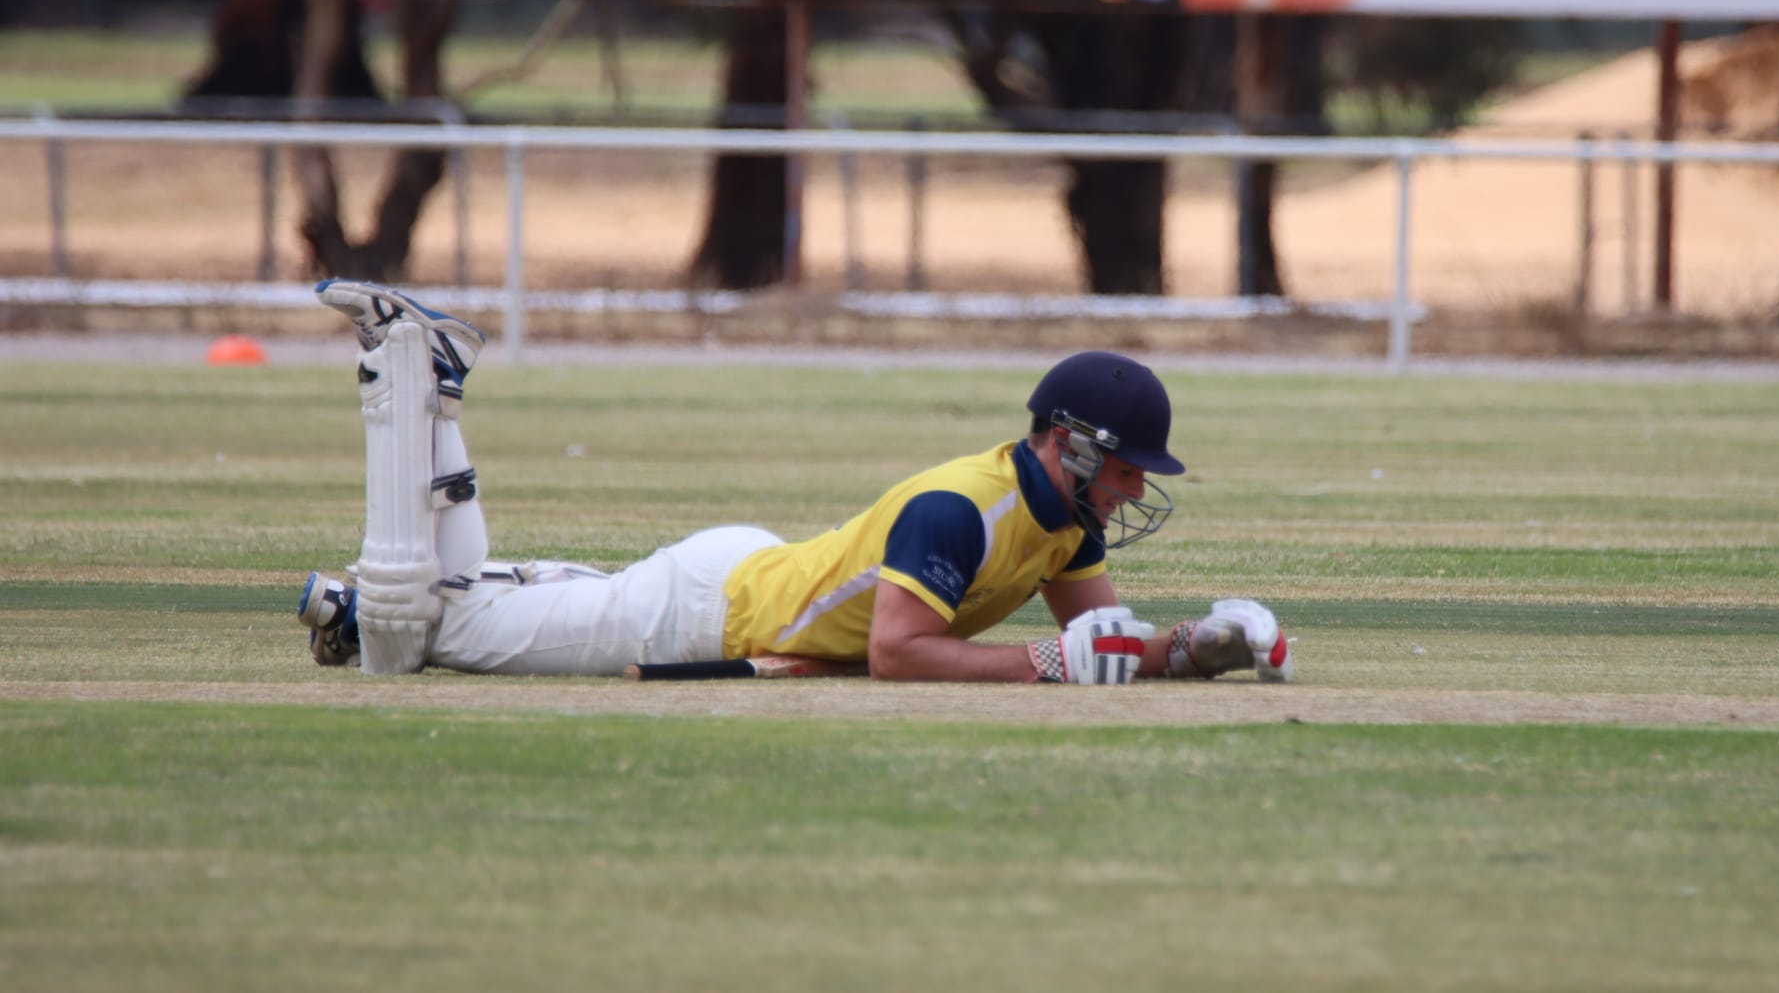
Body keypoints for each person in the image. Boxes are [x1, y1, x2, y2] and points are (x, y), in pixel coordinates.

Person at [296, 281, 1292, 685]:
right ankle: (427, 382)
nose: (1129, 489)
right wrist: (1046, 664)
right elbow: (904, 656)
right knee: (433, 638)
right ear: (1068, 445)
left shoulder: (1065, 523)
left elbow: (1100, 640)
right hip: (707, 615)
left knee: (460, 612)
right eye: (1123, 469)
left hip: (758, 574)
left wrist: (1207, 646)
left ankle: (438, 579)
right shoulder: (962, 507)